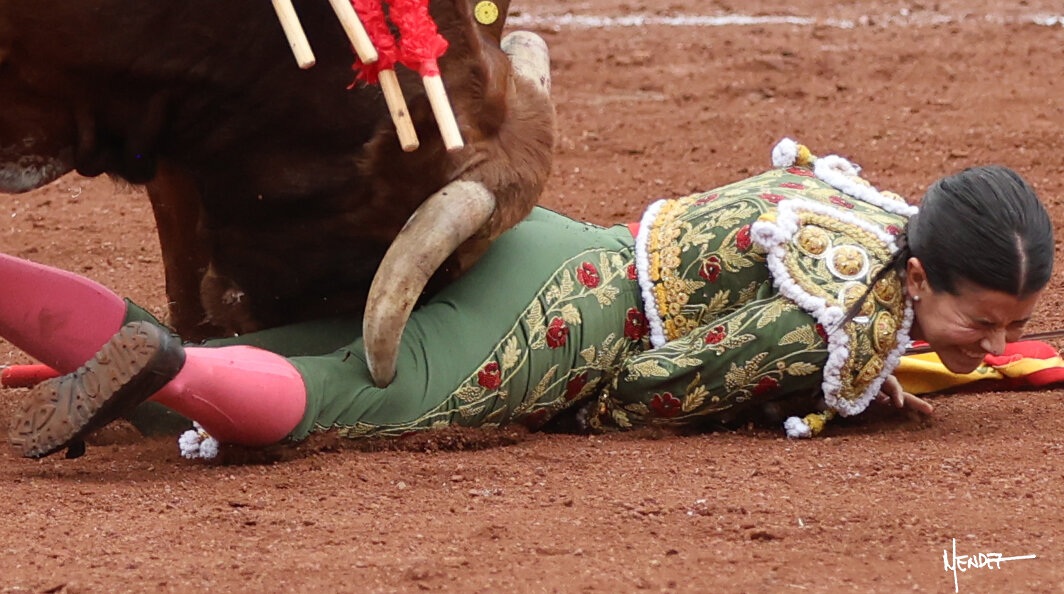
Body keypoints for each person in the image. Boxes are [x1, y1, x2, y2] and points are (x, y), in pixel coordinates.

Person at [5, 139, 1054, 460]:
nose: (991, 347)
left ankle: (139, 378)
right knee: (349, 393)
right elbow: (643, 393)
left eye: (1013, 326)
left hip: (553, 242)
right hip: (567, 325)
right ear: (916, 272)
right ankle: (173, 371)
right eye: (982, 322)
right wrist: (836, 391)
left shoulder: (858, 206)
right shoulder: (849, 317)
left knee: (290, 345)